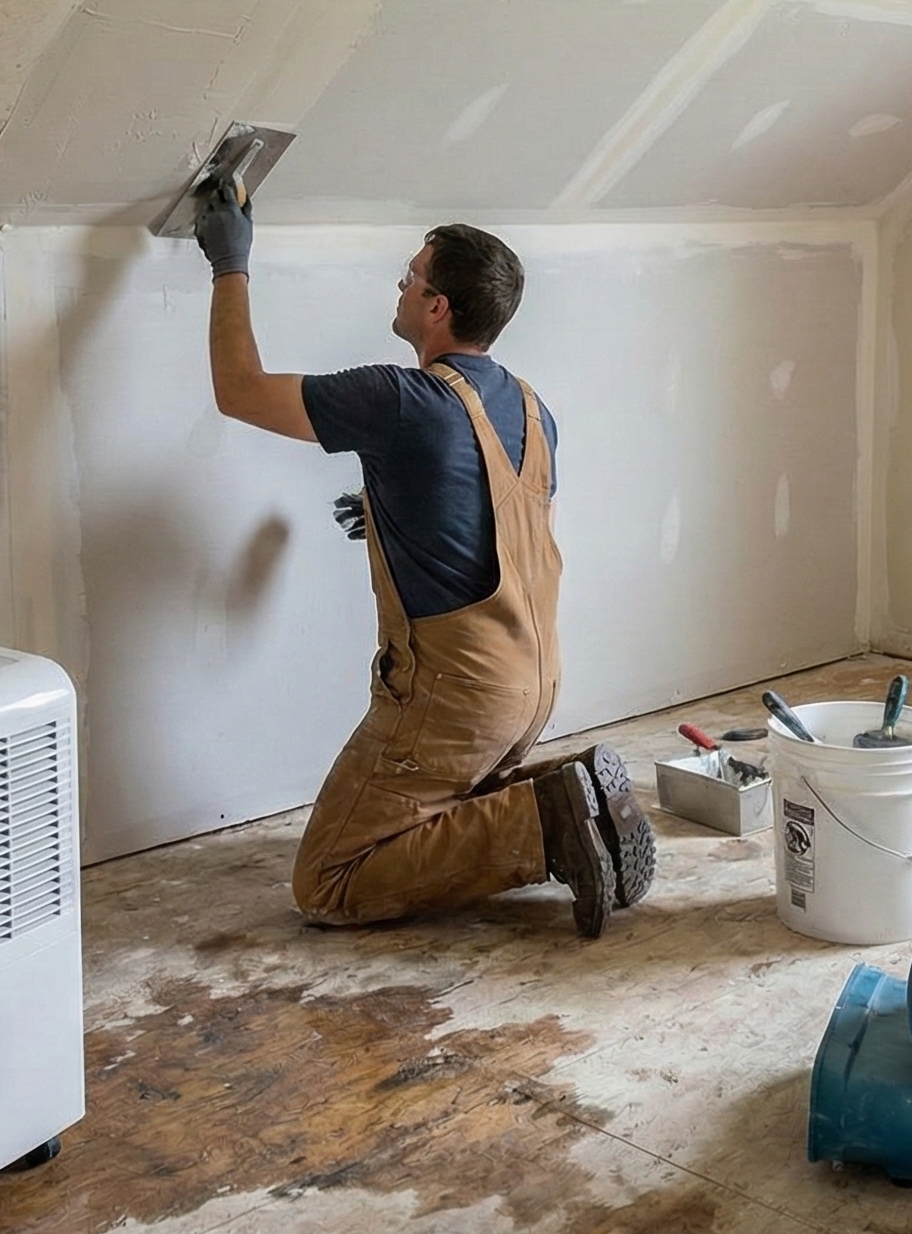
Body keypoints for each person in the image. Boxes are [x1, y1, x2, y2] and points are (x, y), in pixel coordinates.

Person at [194, 177, 656, 937]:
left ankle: (543, 821)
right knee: (430, 804)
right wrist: (386, 511)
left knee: (330, 881)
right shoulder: (533, 409)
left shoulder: (401, 400)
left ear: (438, 307)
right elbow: (485, 521)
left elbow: (239, 392)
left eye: (411, 278)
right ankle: (569, 790)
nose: (402, 287)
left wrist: (229, 264)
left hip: (452, 701)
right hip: (529, 689)